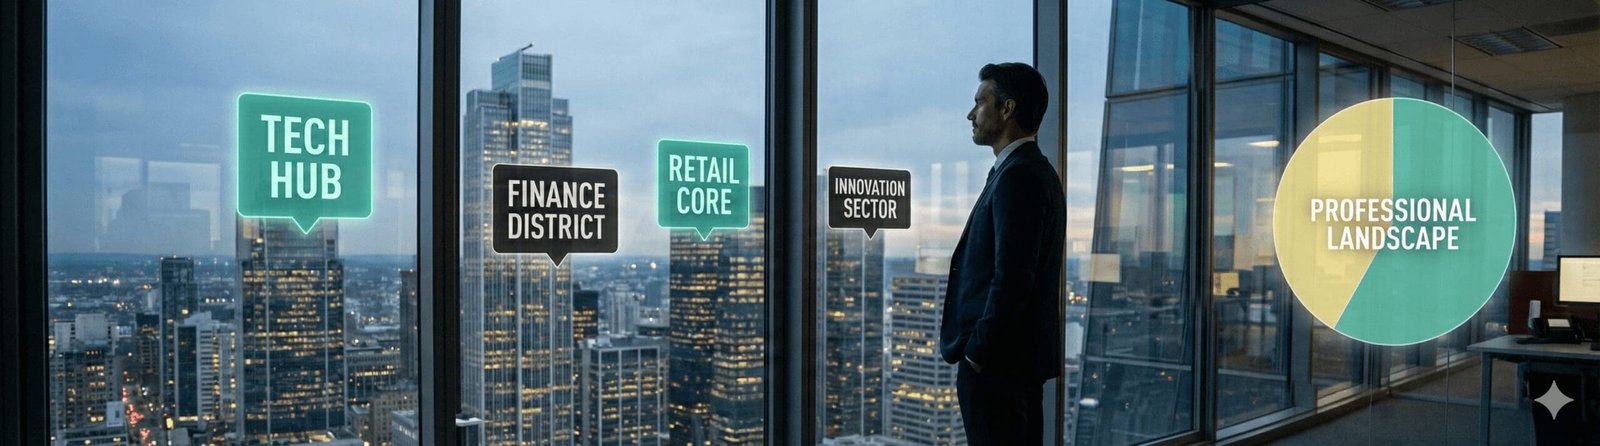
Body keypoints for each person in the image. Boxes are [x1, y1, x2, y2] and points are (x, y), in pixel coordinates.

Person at [938, 62, 1065, 446]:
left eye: (980, 102)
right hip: (1013, 366)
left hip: (998, 369)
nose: (970, 113)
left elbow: (1011, 278)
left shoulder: (1020, 176)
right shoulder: (1030, 170)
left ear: (1007, 109)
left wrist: (978, 355)